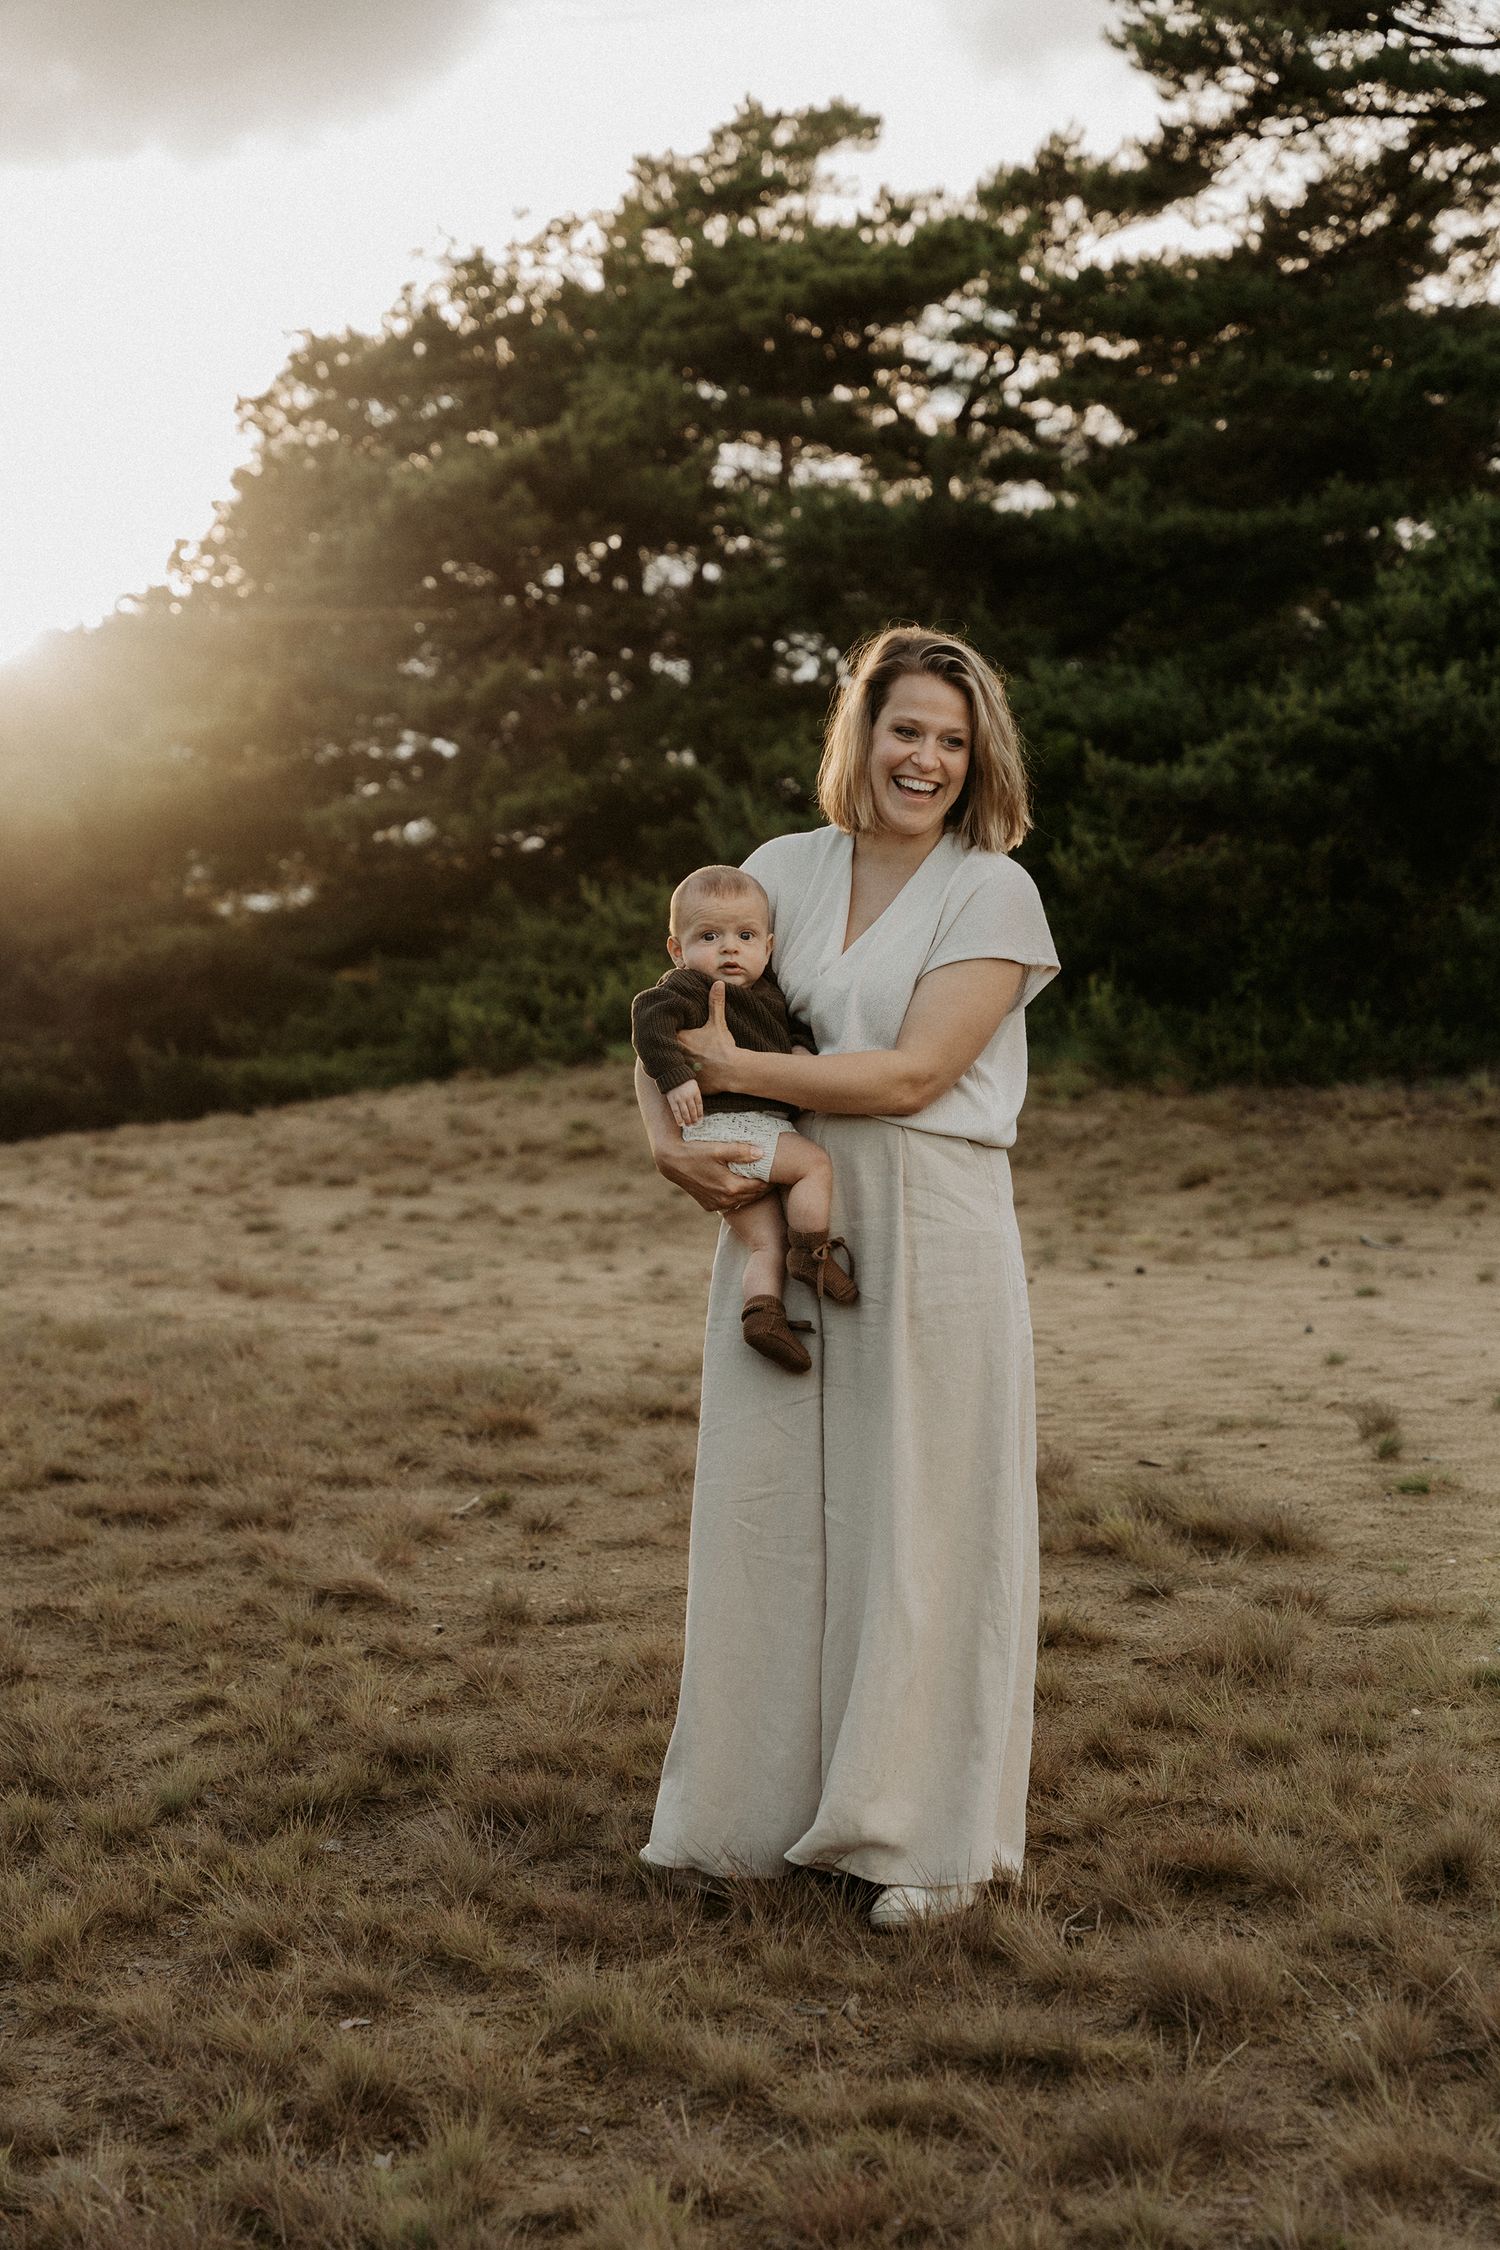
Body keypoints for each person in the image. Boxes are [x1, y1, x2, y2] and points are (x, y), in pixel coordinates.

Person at [632, 625, 1060, 1931]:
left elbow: (916, 1072)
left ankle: (925, 1839)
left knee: (921, 1518)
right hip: (774, 1200)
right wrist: (669, 1145)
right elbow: (670, 1011)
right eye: (905, 729)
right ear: (861, 735)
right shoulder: (777, 869)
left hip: (930, 1215)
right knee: (769, 1509)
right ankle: (751, 1817)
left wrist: (734, 1076)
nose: (926, 758)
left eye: (952, 739)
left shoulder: (993, 891)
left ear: (979, 756)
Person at [630, 866, 859, 1375]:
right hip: (735, 1125)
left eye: (746, 937)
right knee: (813, 1167)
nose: (730, 948)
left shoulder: (768, 992)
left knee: (762, 1242)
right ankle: (810, 1256)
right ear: (677, 950)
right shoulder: (688, 987)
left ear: (769, 947)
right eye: (710, 937)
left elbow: (790, 1027)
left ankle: (762, 1316)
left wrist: (798, 1051)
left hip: (727, 1138)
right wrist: (676, 1076)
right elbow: (649, 1019)